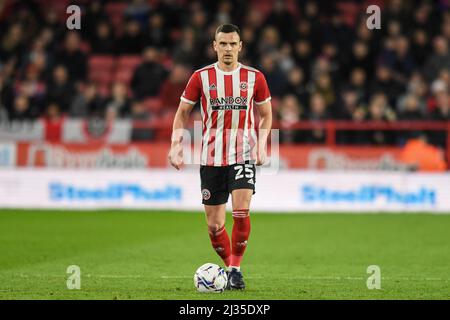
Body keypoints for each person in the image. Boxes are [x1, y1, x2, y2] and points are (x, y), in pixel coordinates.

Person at [168, 24, 272, 290]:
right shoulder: (200, 77)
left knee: (241, 211)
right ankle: (229, 267)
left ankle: (235, 270)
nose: (227, 49)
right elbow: (182, 113)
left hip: (243, 154)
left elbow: (266, 114)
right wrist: (176, 144)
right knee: (215, 226)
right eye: (222, 44)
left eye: (232, 44)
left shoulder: (255, 77)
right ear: (214, 46)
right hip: (211, 157)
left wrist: (261, 145)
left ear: (240, 46)